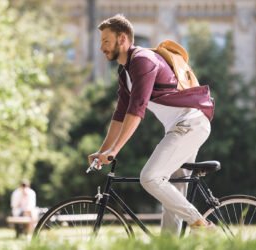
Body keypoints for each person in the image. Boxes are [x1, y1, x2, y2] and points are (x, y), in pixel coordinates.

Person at [88, 14, 214, 235]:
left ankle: (201, 225)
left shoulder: (143, 60)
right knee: (172, 192)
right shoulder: (125, 71)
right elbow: (120, 115)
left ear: (122, 39)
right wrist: (103, 150)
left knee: (150, 177)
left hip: (190, 123)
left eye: (106, 41)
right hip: (183, 127)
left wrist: (115, 150)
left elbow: (137, 109)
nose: (102, 47)